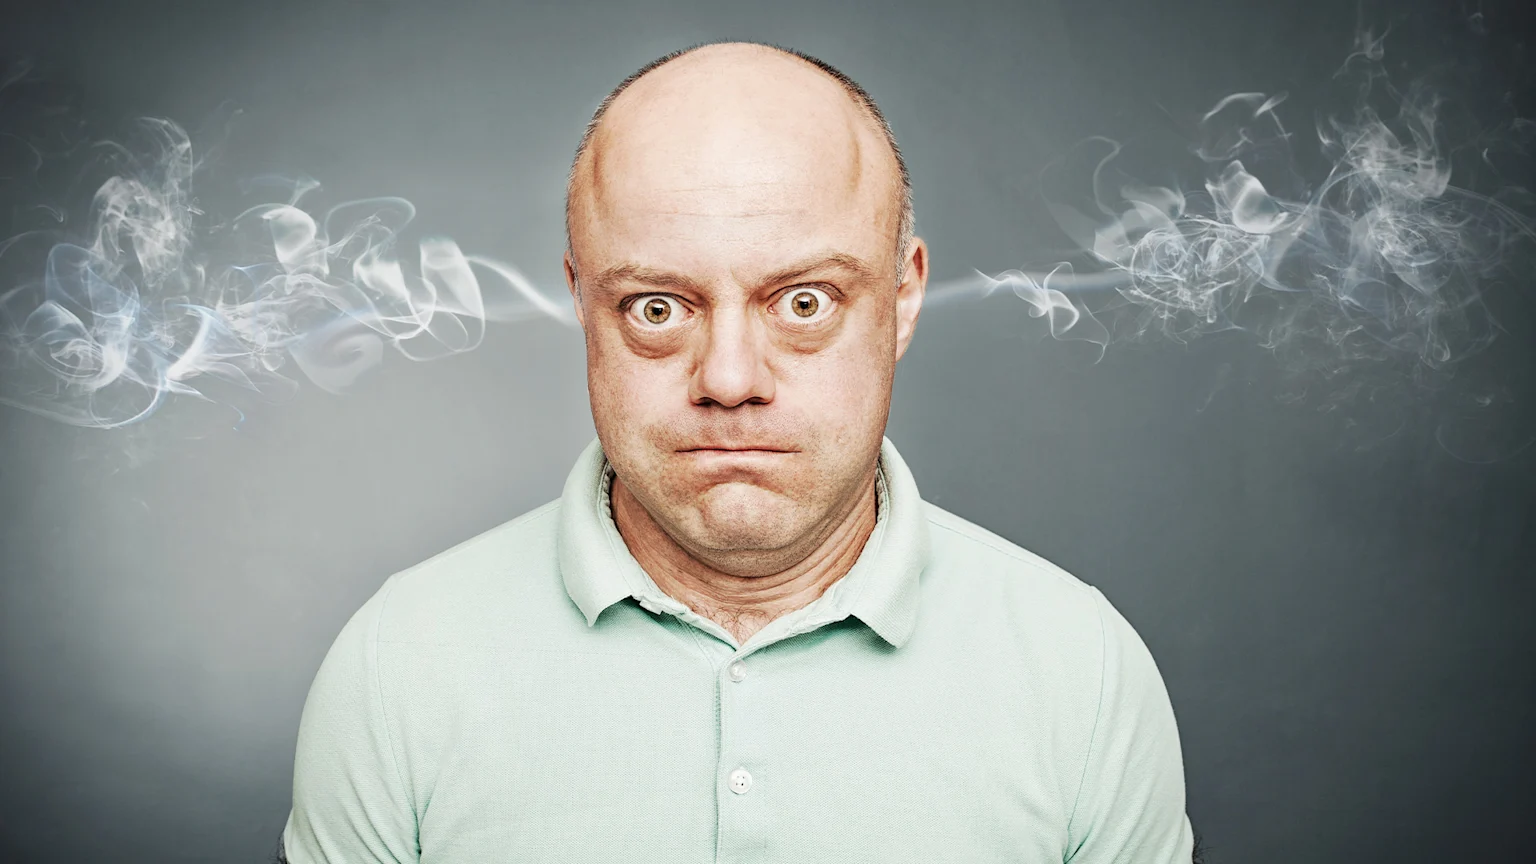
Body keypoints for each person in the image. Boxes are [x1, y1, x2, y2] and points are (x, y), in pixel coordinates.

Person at [278, 40, 1197, 863]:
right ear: (580, 300)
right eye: (656, 307)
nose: (728, 378)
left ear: (904, 296)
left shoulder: (1084, 671)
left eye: (803, 301)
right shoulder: (398, 666)